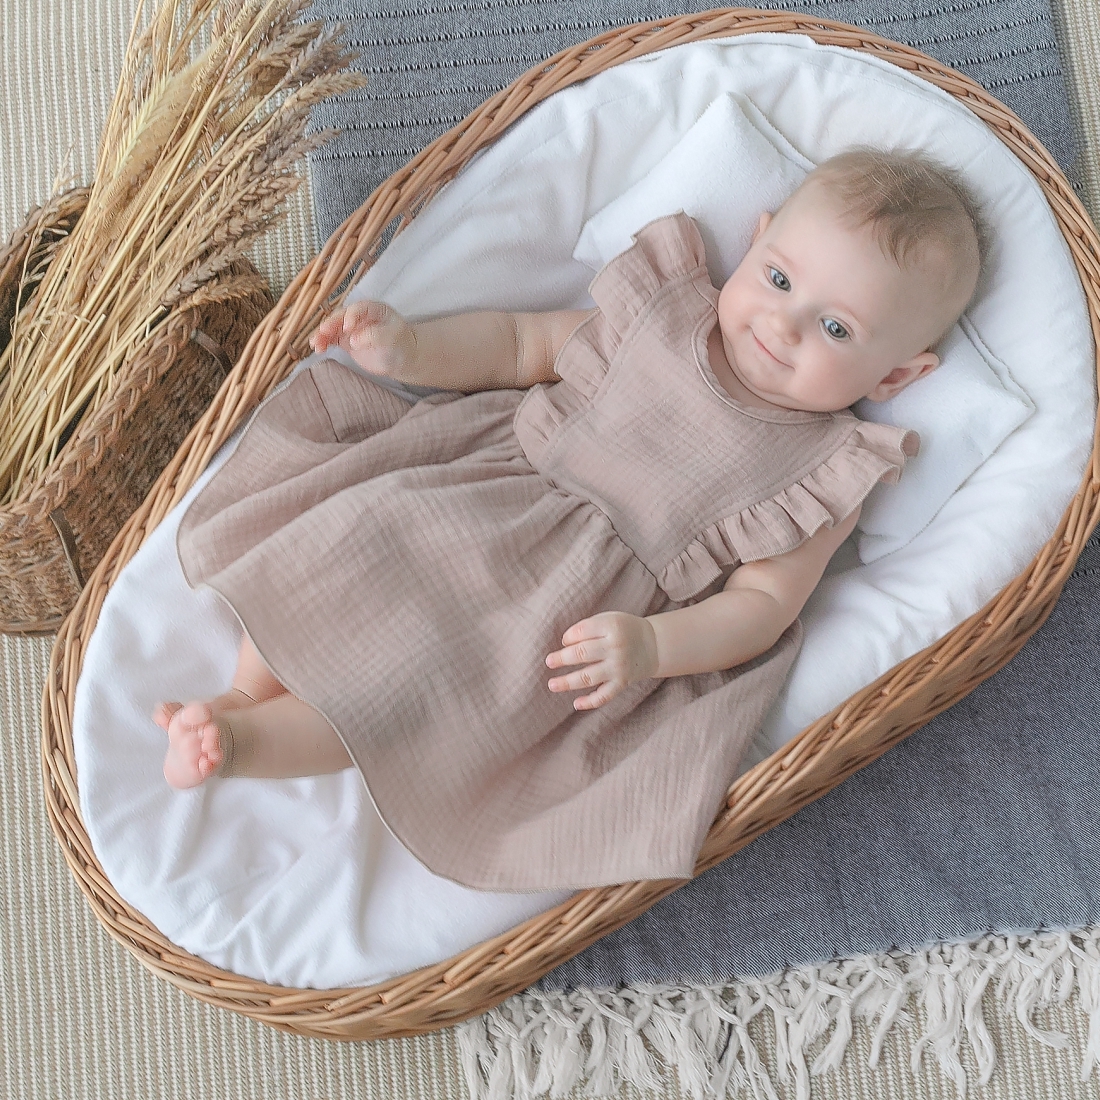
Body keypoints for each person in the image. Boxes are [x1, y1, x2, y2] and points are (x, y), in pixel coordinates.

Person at [154, 146, 987, 890]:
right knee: (344, 539)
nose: (783, 323)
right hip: (477, 485)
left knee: (423, 691)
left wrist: (653, 645)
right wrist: (412, 350)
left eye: (836, 328)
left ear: (896, 376)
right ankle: (241, 691)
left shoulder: (825, 469)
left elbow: (762, 609)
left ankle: (247, 747)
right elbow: (519, 346)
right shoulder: (663, 313)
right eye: (778, 279)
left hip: (564, 604)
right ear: (758, 238)